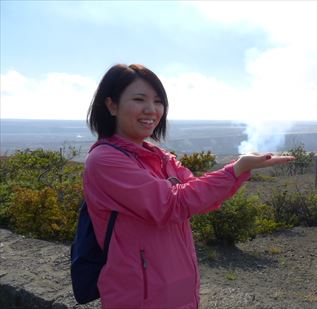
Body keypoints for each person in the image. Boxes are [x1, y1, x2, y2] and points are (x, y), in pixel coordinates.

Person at [84, 63, 294, 308]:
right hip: (139, 296)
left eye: (158, 101)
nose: (151, 110)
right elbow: (172, 203)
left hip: (179, 291)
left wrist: (240, 169)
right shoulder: (105, 161)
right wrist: (237, 169)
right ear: (112, 105)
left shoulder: (161, 157)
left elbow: (195, 196)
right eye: (139, 99)